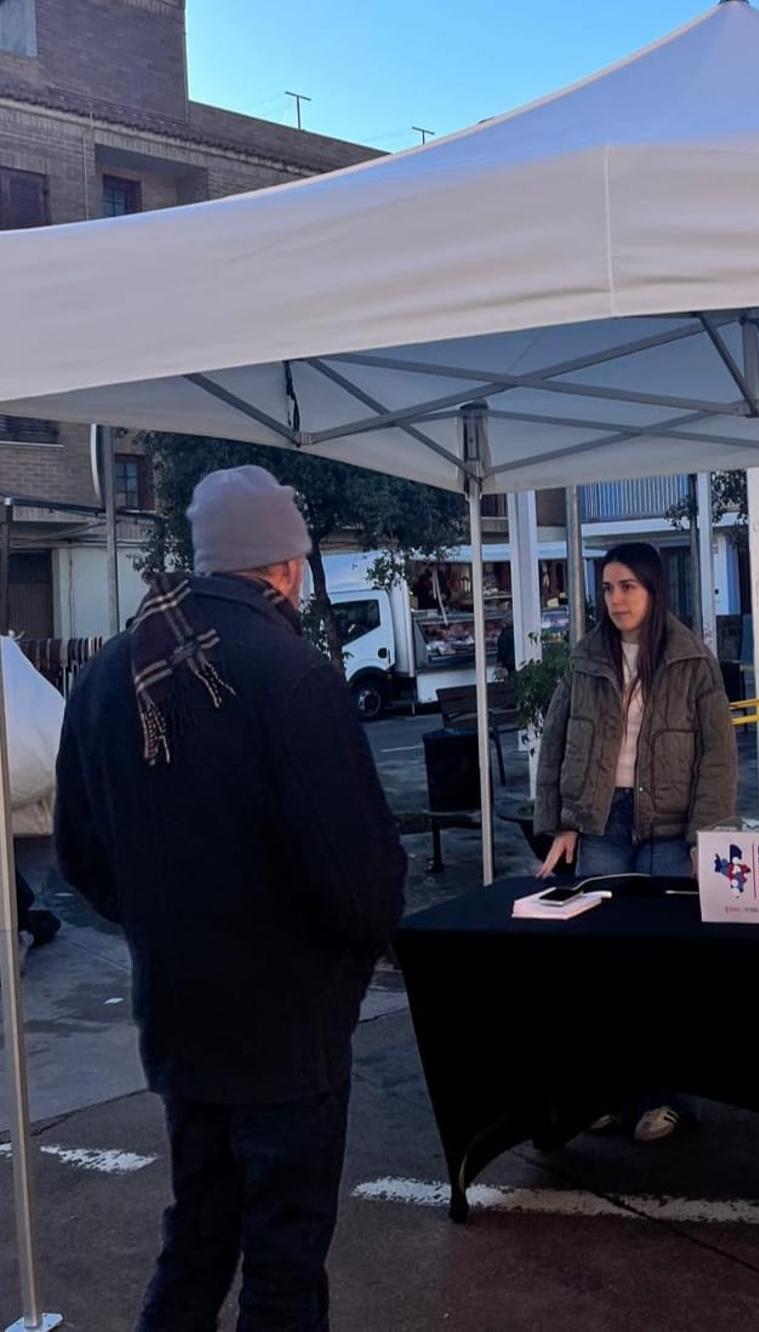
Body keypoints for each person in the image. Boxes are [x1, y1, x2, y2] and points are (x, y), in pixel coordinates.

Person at [55, 464, 406, 1332]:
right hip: (287, 1028)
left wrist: (163, 927)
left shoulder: (107, 676)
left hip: (179, 1012)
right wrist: (342, 963)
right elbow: (360, 881)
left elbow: (80, 856)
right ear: (284, 567)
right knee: (284, 1259)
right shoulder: (292, 676)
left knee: (199, 1233)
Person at [534, 542, 736, 1141]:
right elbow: (557, 746)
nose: (616, 599)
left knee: (664, 964)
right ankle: (612, 1094)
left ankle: (667, 1097)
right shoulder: (585, 658)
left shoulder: (693, 660)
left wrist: (708, 837)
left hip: (671, 831)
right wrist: (561, 821)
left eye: (627, 587)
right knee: (602, 963)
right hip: (601, 826)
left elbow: (719, 760)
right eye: (607, 588)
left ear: (653, 589)